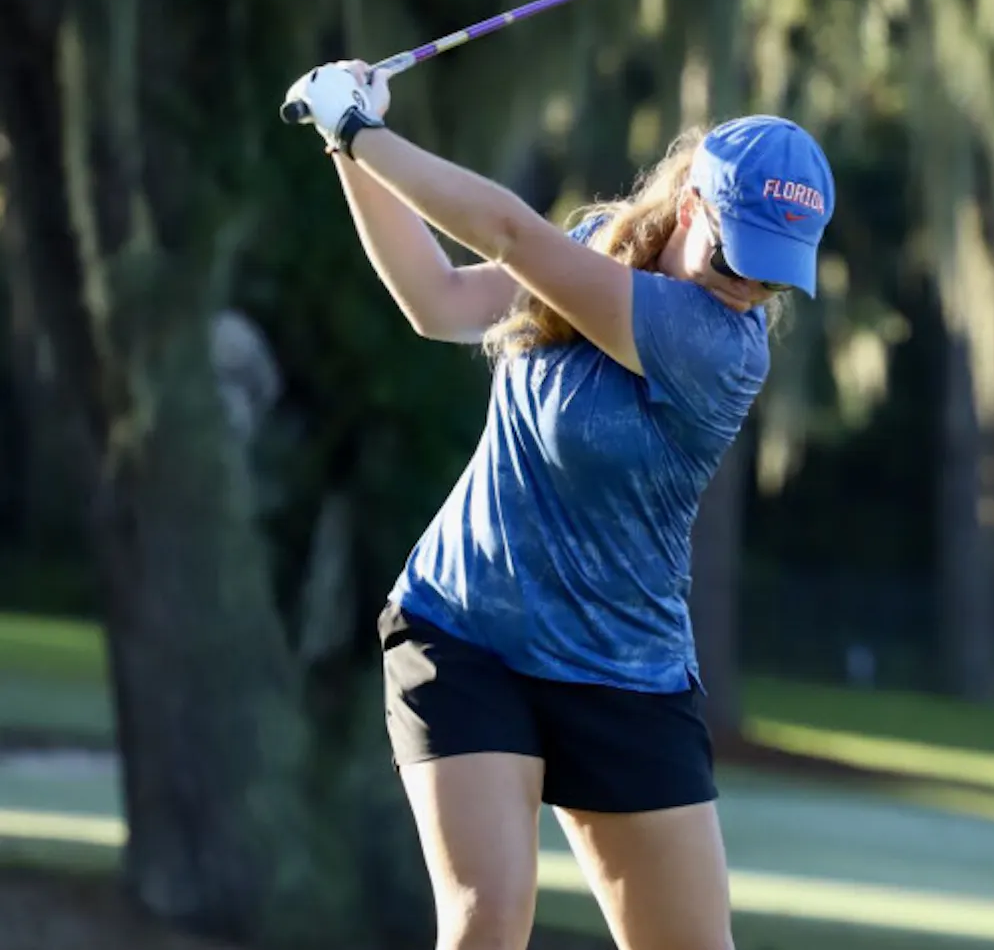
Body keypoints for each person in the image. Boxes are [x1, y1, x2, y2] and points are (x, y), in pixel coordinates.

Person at [281, 60, 836, 950]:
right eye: (737, 257)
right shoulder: (592, 245)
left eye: (773, 278)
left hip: (622, 671)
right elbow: (439, 302)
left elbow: (505, 230)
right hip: (462, 632)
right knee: (484, 923)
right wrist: (344, 146)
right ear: (692, 206)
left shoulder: (720, 345)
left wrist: (363, 131)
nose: (747, 290)